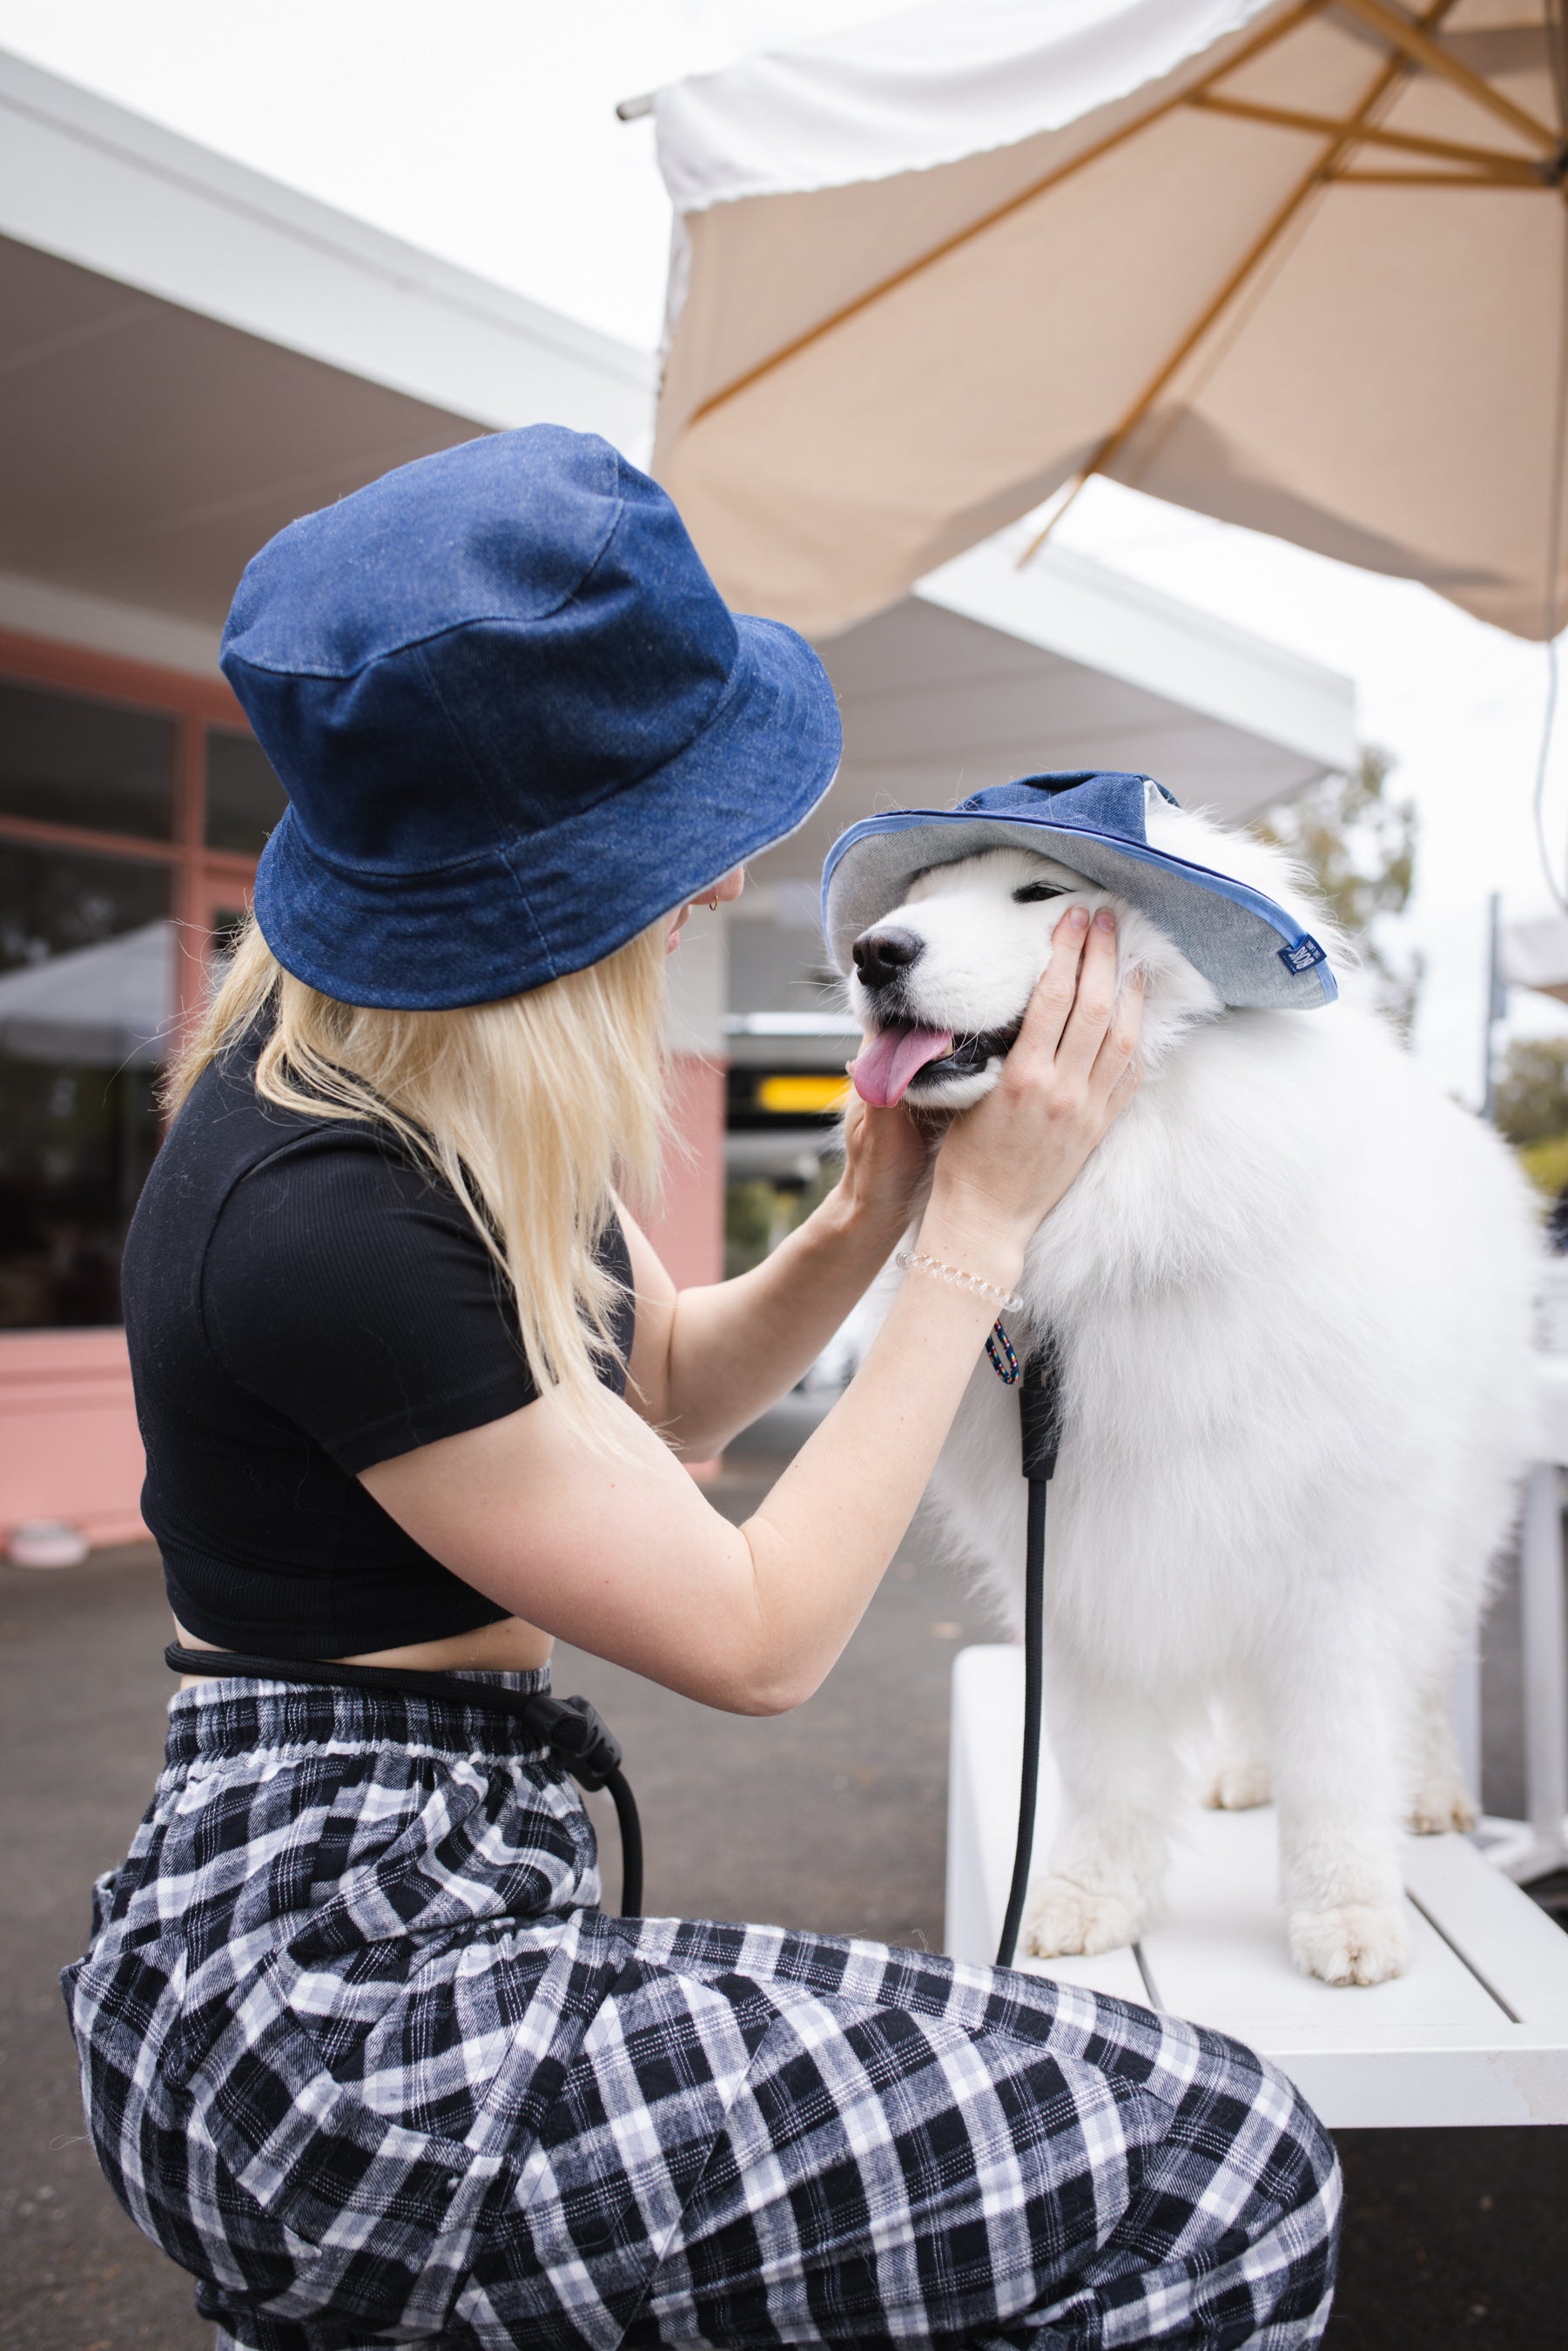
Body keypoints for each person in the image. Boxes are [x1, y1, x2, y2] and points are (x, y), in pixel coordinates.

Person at [64, 428, 1339, 2350]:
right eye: (676, 823)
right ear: (538, 876)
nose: (730, 869)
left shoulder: (436, 1102)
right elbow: (755, 1637)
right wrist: (979, 1239)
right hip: (336, 2019)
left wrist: (862, 1213)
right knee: (1221, 2168)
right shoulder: (319, 1221)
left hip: (423, 1900)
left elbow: (656, 1388)